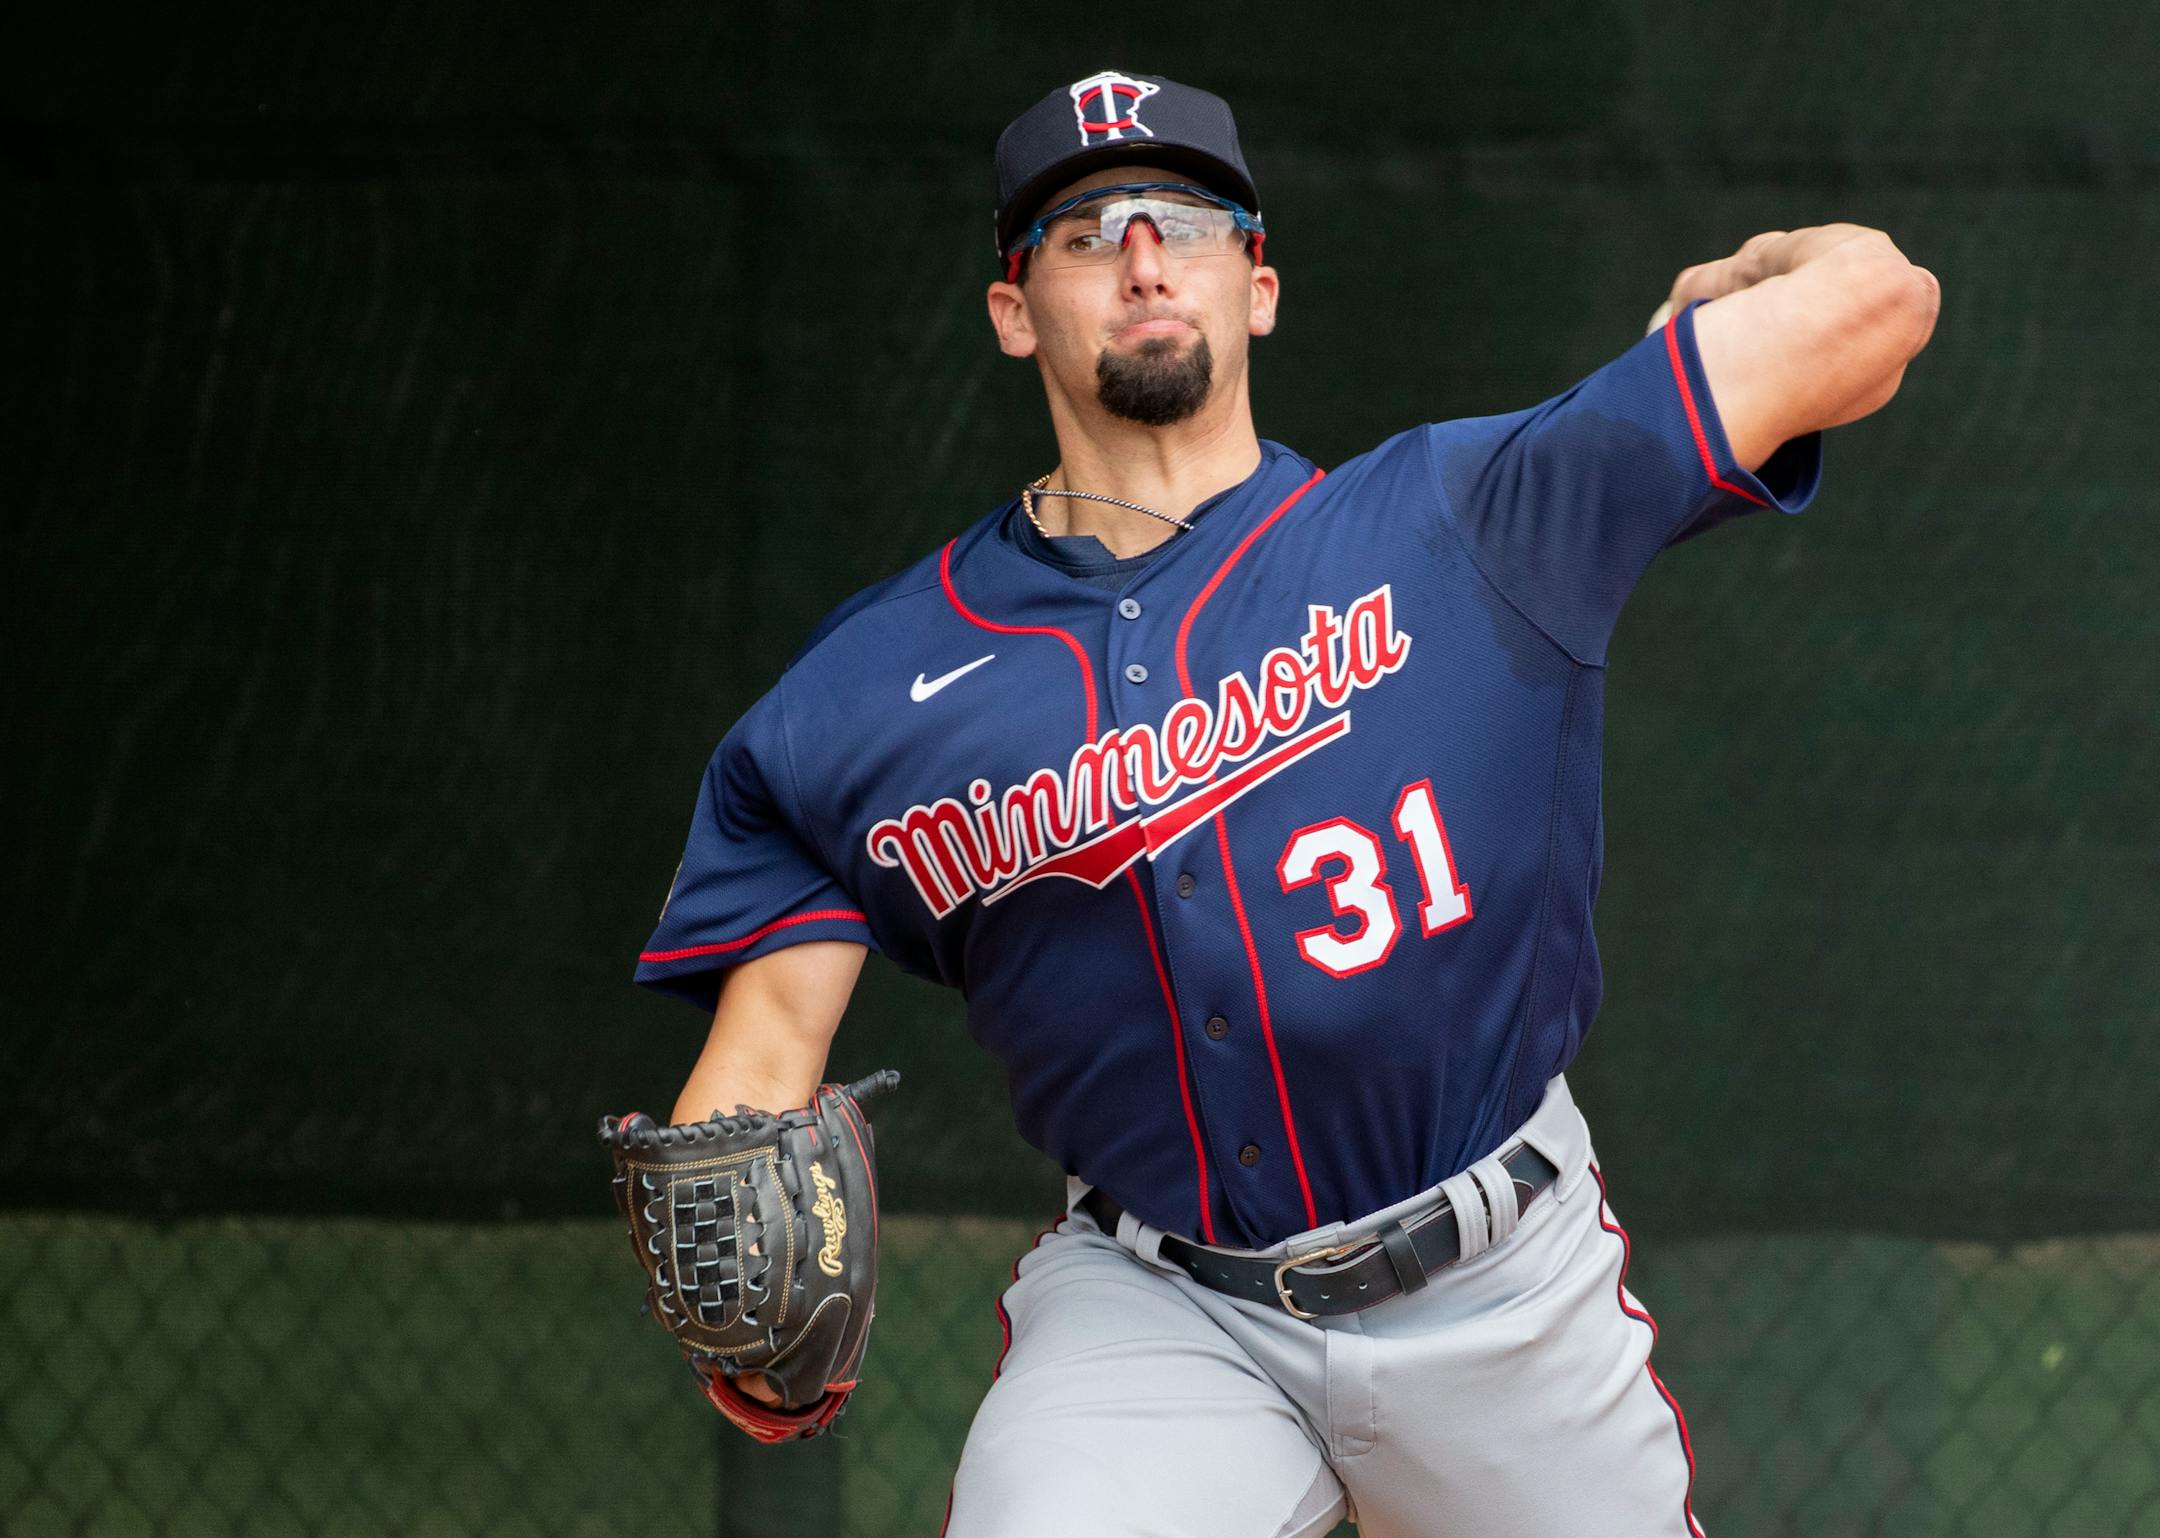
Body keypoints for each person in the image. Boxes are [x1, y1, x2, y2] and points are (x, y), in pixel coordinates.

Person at [632, 69, 1939, 1537]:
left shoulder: (1475, 515)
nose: (1140, 253)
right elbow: (762, 1061)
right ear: (1015, 312)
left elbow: (1879, 303)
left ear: (1258, 286)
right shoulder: (869, 693)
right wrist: (741, 1287)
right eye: (1084, 229)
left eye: (1185, 218)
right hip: (1163, 1308)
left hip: (1501, 1288)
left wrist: (1748, 274)